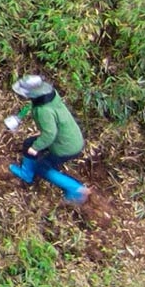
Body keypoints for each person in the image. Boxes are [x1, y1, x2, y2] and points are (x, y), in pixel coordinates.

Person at [5, 74, 89, 204]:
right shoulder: (50, 96)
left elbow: (50, 134)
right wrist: (19, 117)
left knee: (42, 167)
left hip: (65, 146)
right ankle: (26, 173)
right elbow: (32, 104)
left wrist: (36, 147)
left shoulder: (44, 111)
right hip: (72, 137)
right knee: (28, 143)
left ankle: (76, 190)